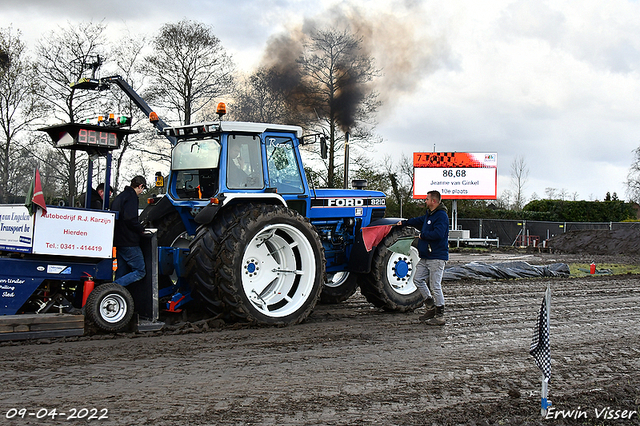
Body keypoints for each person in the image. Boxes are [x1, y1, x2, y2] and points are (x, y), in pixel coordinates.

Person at [396, 190, 449, 326]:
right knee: (417, 279)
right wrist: (404, 223)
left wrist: (423, 235)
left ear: (433, 201)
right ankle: (430, 305)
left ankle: (440, 315)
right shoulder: (429, 215)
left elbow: (438, 233)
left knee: (435, 285)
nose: (425, 201)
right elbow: (418, 221)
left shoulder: (441, 216)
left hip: (436, 256)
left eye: (427, 199)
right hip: (426, 256)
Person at [110, 176, 147, 287]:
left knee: (121, 272)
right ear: (140, 186)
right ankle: (112, 288)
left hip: (119, 240)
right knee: (140, 271)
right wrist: (141, 229)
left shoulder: (120, 197)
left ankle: (115, 293)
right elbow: (130, 219)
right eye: (142, 189)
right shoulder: (132, 197)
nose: (141, 192)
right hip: (129, 241)